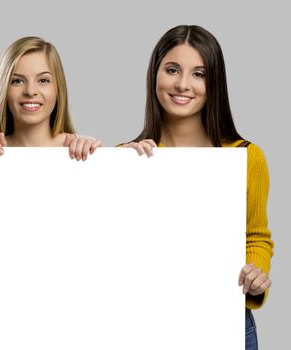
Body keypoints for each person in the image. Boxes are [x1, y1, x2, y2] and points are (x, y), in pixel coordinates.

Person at [122, 25, 273, 349]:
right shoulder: (125, 158)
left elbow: (256, 236)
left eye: (199, 74)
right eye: (172, 69)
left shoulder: (246, 156)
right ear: (155, 75)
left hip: (223, 321)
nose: (182, 84)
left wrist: (255, 274)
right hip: (147, 326)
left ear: (214, 83)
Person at [0, 36, 101, 160]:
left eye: (43, 80)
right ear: (3, 91)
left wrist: (105, 159)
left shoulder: (86, 148)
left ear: (59, 89)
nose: (30, 91)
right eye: (17, 81)